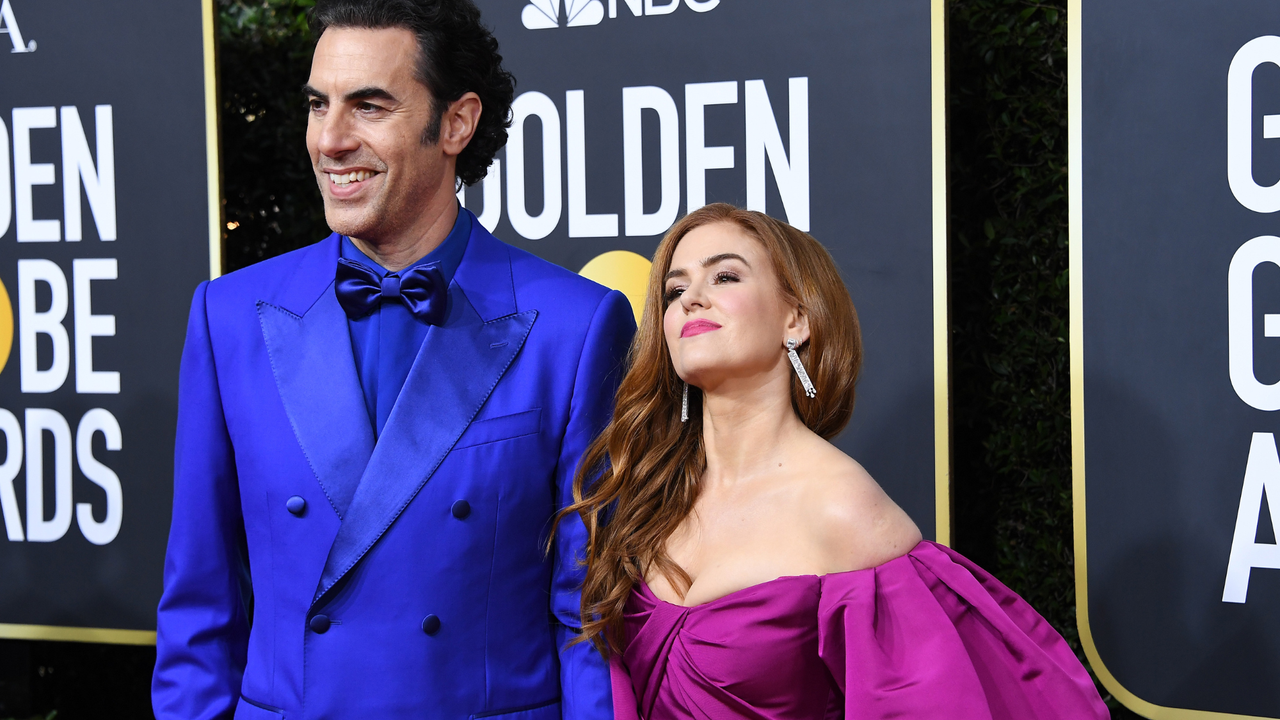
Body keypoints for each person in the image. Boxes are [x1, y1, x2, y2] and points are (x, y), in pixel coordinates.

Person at [152, 1, 633, 718]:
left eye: (369, 106)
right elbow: (200, 607)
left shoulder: (576, 326)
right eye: (319, 106)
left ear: (457, 123)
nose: (330, 140)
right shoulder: (230, 318)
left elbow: (588, 619)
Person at [559, 204, 1109, 719]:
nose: (690, 299)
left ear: (795, 319)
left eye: (724, 277)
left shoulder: (842, 507)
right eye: (675, 289)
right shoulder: (647, 494)